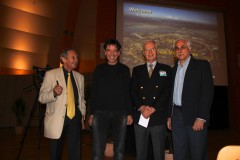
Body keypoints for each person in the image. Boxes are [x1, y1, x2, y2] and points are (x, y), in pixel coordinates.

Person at [167, 39, 214, 160]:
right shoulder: (173, 70)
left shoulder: (202, 65)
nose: (179, 50)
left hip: (195, 117)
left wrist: (201, 117)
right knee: (179, 153)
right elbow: (170, 95)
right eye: (177, 48)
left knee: (198, 153)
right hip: (176, 116)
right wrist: (169, 116)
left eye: (183, 47)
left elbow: (207, 92)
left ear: (190, 48)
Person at [88, 39, 133, 160]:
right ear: (105, 52)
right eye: (108, 50)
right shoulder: (98, 69)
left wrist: (129, 113)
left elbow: (128, 93)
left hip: (120, 113)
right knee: (97, 152)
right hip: (100, 113)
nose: (111, 53)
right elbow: (94, 93)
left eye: (115, 51)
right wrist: (91, 113)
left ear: (119, 53)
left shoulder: (125, 70)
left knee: (119, 151)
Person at [38, 48, 86, 160]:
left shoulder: (80, 77)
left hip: (75, 118)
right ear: (63, 59)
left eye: (77, 57)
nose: (76, 60)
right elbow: (41, 98)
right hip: (57, 119)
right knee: (55, 153)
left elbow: (82, 100)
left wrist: (82, 116)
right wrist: (53, 93)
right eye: (73, 57)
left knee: (75, 153)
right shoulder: (51, 74)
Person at [131, 40, 172, 160]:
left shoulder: (166, 69)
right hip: (141, 116)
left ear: (156, 51)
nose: (150, 52)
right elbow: (133, 92)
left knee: (158, 154)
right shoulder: (137, 70)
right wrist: (142, 107)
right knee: (141, 154)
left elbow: (166, 92)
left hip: (158, 116)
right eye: (147, 50)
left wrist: (153, 108)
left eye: (152, 49)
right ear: (143, 53)